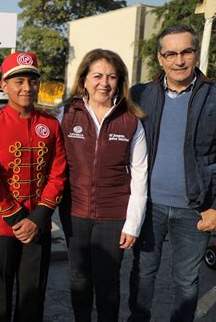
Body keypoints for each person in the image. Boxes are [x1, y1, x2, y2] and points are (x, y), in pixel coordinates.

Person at [128, 24, 216, 322]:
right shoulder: (141, 94)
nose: (178, 60)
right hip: (149, 206)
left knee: (185, 280)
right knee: (142, 274)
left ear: (196, 54)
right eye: (171, 54)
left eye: (186, 52)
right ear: (160, 58)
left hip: (196, 208)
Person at [0, 52, 67, 322]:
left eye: (32, 81)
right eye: (19, 81)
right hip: (2, 224)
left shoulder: (50, 124)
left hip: (38, 225)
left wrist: (37, 219)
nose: (27, 87)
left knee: (33, 294)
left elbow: (58, 174)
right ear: (4, 86)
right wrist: (17, 218)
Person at [59, 49, 148, 322]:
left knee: (108, 283)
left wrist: (133, 224)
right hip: (74, 212)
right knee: (78, 278)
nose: (104, 83)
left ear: (120, 81)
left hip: (113, 215)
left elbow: (140, 174)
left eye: (112, 76)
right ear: (84, 79)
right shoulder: (65, 114)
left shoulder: (131, 120)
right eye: (97, 76)